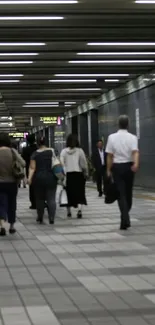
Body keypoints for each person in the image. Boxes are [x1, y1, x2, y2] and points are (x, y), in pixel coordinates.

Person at [106, 115, 139, 230]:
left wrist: (108, 169)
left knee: (121, 194)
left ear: (118, 124)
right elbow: (135, 152)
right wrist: (135, 164)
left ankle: (124, 217)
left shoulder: (111, 137)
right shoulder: (133, 137)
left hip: (117, 168)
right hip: (129, 167)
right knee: (128, 194)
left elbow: (110, 155)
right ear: (128, 124)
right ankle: (125, 218)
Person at [0, 133, 25, 235]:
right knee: (12, 204)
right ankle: (12, 226)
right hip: (12, 183)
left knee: (1, 204)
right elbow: (23, 163)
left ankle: (2, 226)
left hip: (0, 183)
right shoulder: (12, 151)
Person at [28, 137, 57, 224]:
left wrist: (29, 178)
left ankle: (40, 217)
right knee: (51, 199)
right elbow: (57, 163)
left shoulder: (35, 154)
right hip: (51, 177)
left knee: (39, 199)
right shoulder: (52, 151)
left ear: (37, 144)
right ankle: (51, 218)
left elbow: (32, 168)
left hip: (38, 178)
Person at [60, 134, 88, 219]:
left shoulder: (64, 151)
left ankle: (69, 212)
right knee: (80, 193)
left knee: (68, 193)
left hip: (68, 175)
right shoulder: (80, 151)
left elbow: (61, 163)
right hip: (78, 174)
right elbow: (83, 163)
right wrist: (86, 172)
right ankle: (79, 210)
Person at [22, 134, 37, 209]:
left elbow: (23, 160)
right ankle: (40, 201)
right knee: (39, 186)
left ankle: (33, 203)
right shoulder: (38, 148)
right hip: (39, 169)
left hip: (30, 169)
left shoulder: (25, 149)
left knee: (31, 187)